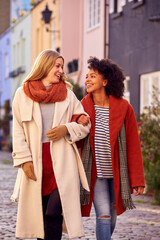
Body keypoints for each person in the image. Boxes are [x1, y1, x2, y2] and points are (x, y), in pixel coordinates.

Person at [11, 49, 91, 240]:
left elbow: (84, 124)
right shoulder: (22, 94)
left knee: (53, 213)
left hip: (63, 162)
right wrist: (24, 160)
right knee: (40, 215)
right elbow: (18, 130)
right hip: (37, 161)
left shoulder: (68, 95)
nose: (61, 70)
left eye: (62, 67)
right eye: (57, 66)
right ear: (45, 66)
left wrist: (67, 129)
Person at [76, 57, 145, 240]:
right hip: (95, 173)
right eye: (87, 76)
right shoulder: (82, 106)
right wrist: (77, 120)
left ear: (105, 81)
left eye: (93, 76)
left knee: (112, 218)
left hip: (116, 174)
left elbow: (132, 145)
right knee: (104, 215)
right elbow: (73, 133)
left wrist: (137, 179)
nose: (87, 80)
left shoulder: (124, 108)